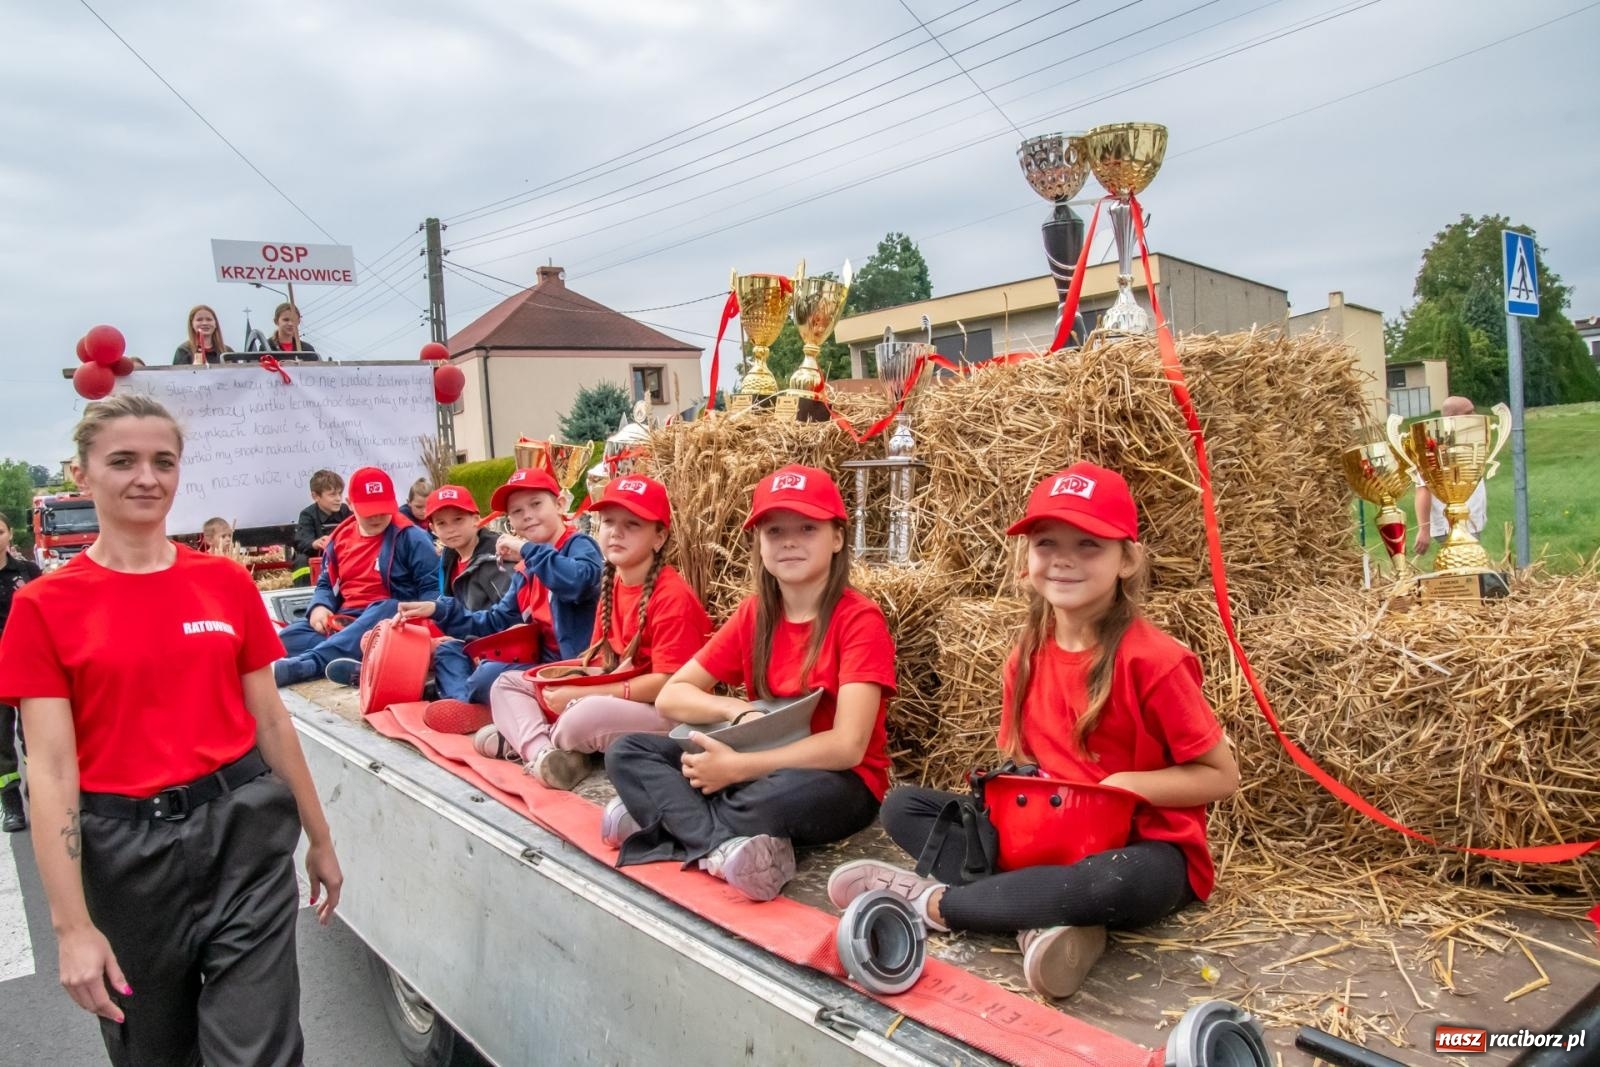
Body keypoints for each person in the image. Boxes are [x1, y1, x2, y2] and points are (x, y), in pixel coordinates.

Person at [0, 394, 342, 1066]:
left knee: (261, 1053)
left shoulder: (224, 583)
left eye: (163, 461)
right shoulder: (43, 607)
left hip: (241, 837)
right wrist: (71, 927)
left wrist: (321, 837)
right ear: (82, 474)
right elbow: (52, 770)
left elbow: (271, 720)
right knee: (155, 1053)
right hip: (126, 859)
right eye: (123, 461)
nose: (146, 477)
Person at [827, 463, 1240, 999]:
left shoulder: (1155, 661)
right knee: (904, 807)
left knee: (1111, 881)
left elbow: (1220, 776)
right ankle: (1045, 917)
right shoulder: (1026, 654)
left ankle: (935, 905)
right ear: (1027, 559)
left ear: (1127, 559)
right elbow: (1030, 765)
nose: (1064, 559)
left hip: (1140, 846)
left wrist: (1124, 788)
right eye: (1047, 543)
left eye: (1088, 544)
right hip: (1050, 833)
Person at [602, 465, 895, 903]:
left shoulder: (859, 620)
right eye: (774, 531)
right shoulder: (755, 614)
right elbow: (672, 696)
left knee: (769, 800)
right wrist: (734, 710)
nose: (789, 541)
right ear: (759, 543)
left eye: (807, 528)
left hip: (836, 780)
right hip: (753, 758)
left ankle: (668, 820)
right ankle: (722, 846)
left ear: (837, 538)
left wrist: (739, 768)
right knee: (627, 751)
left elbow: (848, 746)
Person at [479, 475, 711, 791]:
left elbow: (669, 685)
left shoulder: (672, 596)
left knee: (584, 715)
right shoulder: (612, 584)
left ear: (659, 537)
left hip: (666, 713)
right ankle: (546, 755)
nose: (616, 532)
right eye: (609, 521)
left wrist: (583, 695)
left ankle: (529, 741)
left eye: (632, 524)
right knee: (507, 683)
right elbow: (601, 664)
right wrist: (564, 682)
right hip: (613, 698)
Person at [396, 468, 602, 710]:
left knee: (486, 677)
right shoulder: (525, 568)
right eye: (517, 511)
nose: (527, 515)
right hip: (536, 662)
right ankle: (466, 707)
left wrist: (526, 549)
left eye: (536, 504)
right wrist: (439, 609)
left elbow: (578, 581)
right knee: (455, 654)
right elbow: (495, 622)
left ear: (560, 504)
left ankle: (472, 703)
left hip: (575, 667)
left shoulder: (578, 544)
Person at [271, 467, 437, 687]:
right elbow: (326, 584)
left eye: (383, 510)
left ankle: (309, 664)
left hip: (390, 620)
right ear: (350, 504)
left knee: (389, 606)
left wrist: (419, 622)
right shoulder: (339, 538)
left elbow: (432, 592)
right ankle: (358, 655)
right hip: (345, 620)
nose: (377, 517)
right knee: (286, 638)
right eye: (369, 511)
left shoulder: (413, 538)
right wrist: (320, 606)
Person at [0, 509, 41, 832]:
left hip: (29, 668)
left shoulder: (28, 571)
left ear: (10, 534)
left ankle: (39, 797)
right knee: (1, 740)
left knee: (36, 736)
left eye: (0, 531)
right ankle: (11, 804)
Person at [1412, 395, 1488, 559]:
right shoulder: (1435, 450)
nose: (1475, 415)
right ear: (1452, 418)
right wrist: (1424, 530)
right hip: (1450, 526)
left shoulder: (1469, 444)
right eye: (1468, 413)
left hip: (1471, 524)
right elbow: (1423, 490)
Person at [427, 484, 512, 612]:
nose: (450, 529)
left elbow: (511, 614)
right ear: (433, 529)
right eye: (441, 523)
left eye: (458, 519)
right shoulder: (448, 557)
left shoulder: (498, 556)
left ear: (476, 520)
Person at [291, 469, 351, 583]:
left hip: (343, 554)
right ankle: (304, 590)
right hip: (318, 557)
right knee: (301, 560)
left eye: (340, 493)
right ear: (315, 496)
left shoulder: (346, 511)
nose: (338, 498)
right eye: (332, 494)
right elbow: (301, 541)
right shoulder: (307, 514)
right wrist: (315, 543)